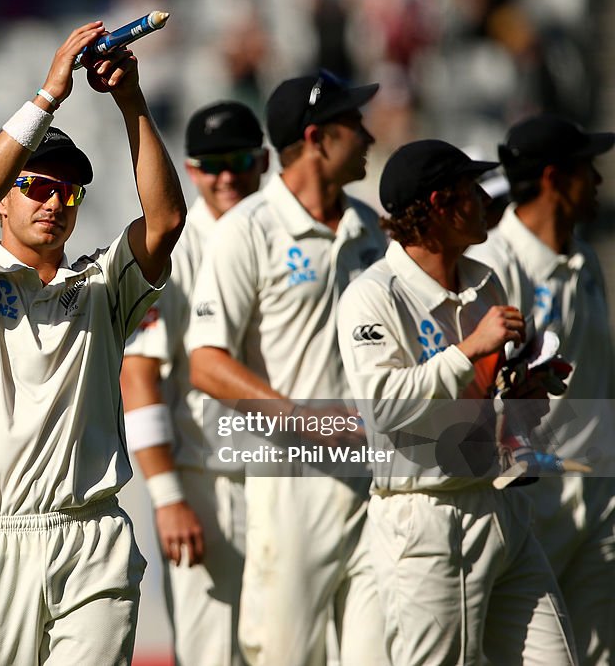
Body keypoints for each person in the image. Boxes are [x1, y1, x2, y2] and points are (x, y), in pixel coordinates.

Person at [0, 22, 186, 665]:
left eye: (68, 190)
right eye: (36, 185)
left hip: (92, 535)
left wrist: (131, 102)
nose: (54, 201)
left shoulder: (102, 282)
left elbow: (167, 220)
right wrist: (49, 96)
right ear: (5, 204)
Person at [337, 139, 576, 665]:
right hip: (427, 519)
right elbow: (383, 407)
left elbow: (484, 394)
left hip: (503, 508)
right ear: (442, 204)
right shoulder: (373, 294)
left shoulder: (485, 282)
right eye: (472, 190)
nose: (485, 200)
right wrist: (469, 351)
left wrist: (522, 393)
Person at [186, 71, 387, 666]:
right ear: (318, 137)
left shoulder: (370, 229)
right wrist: (312, 425)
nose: (369, 136)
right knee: (285, 654)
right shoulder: (248, 229)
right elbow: (206, 364)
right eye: (354, 124)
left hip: (378, 477)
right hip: (293, 480)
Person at [120, 100, 266, 666]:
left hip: (294, 470)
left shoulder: (281, 234)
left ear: (265, 160)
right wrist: (168, 497)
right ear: (191, 169)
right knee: (213, 653)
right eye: (210, 164)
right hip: (210, 481)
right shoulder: (176, 252)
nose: (226, 175)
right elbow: (139, 373)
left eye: (239, 160)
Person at [467, 114, 615, 665]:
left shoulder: (585, 259)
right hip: (533, 505)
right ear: (554, 177)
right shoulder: (494, 264)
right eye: (587, 171)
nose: (598, 182)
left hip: (599, 504)